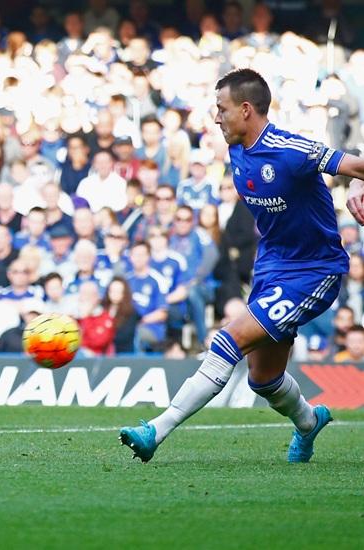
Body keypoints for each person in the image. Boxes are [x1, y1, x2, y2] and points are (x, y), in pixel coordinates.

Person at [120, 68, 364, 464]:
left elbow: (355, 165)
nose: (216, 117)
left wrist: (356, 183)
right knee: (263, 379)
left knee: (227, 340)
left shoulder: (292, 150)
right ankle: (308, 422)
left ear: (246, 109)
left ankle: (156, 430)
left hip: (314, 271)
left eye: (222, 109)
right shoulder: (236, 148)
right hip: (271, 268)